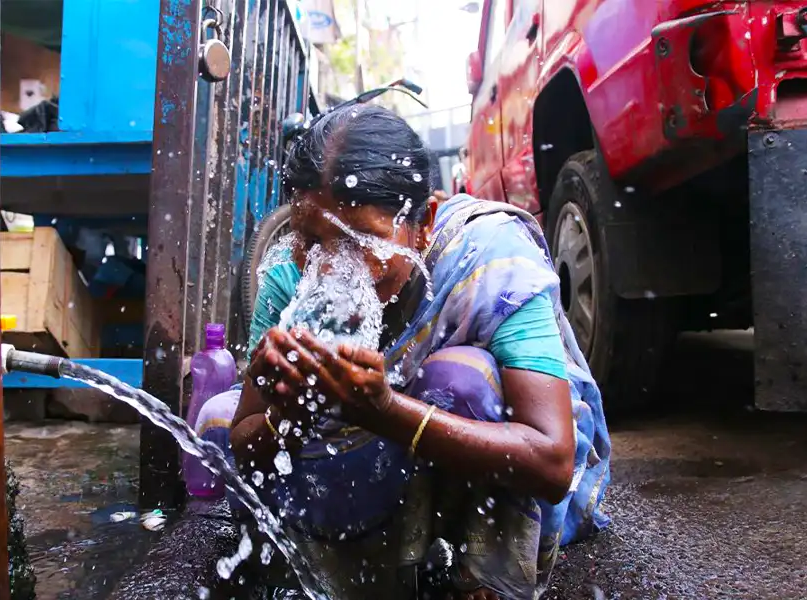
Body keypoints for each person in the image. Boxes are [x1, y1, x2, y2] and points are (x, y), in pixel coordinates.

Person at [197, 105, 610, 600]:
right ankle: (339, 567)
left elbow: (551, 461)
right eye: (312, 240)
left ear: (424, 223)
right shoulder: (288, 276)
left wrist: (386, 411)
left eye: (364, 240)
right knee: (215, 417)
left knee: (461, 379)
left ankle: (473, 576)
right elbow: (244, 446)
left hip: (466, 480)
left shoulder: (487, 257)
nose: (332, 268)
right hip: (367, 487)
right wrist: (286, 413)